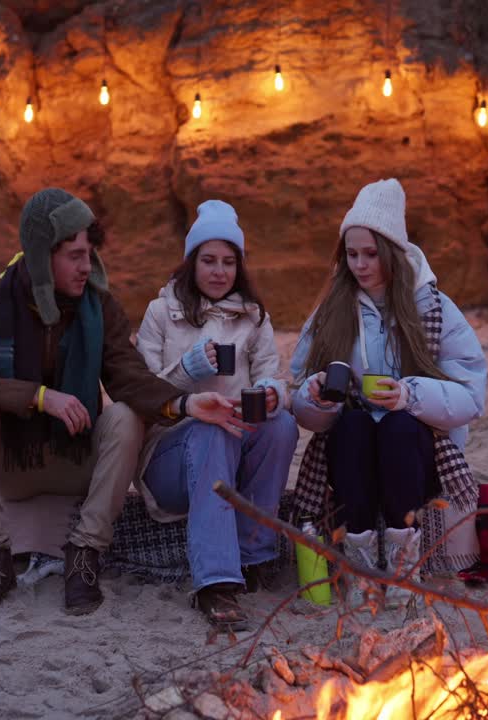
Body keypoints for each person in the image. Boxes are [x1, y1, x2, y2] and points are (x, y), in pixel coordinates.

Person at [0, 188, 246, 618]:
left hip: (76, 459)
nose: (88, 267)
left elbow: (128, 377)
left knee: (124, 415)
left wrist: (184, 405)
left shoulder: (98, 307)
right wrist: (38, 397)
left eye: (89, 254)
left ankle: (84, 555)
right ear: (40, 253)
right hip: (13, 461)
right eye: (74, 255)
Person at [289, 178, 488, 604]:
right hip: (352, 450)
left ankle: (403, 562)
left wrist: (409, 395)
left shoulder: (431, 307)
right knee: (354, 424)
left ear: (392, 253)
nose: (360, 265)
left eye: (370, 254)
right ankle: (359, 559)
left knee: (397, 425)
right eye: (352, 254)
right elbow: (298, 394)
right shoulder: (333, 309)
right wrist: (316, 396)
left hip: (416, 449)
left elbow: (471, 396)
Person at [133, 200, 299, 630]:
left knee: (281, 425)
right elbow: (141, 391)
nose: (219, 271)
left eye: (229, 262)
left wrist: (270, 394)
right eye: (208, 260)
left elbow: (272, 378)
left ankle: (255, 555)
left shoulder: (253, 316)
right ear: (192, 263)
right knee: (212, 430)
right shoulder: (161, 313)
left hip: (234, 446)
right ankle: (215, 583)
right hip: (170, 456)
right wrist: (188, 371)